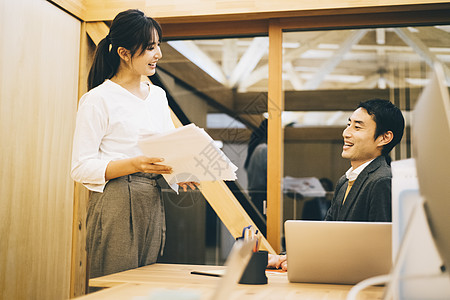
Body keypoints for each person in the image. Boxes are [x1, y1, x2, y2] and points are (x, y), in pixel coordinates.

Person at [71, 9, 197, 278]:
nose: (158, 54)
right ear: (124, 53)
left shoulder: (158, 96)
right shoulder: (98, 99)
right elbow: (80, 167)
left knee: (144, 285)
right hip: (115, 200)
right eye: (150, 47)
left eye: (158, 46)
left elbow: (166, 148)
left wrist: (179, 171)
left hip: (151, 198)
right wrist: (134, 164)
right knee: (114, 287)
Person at [267, 98, 405, 270]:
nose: (346, 133)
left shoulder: (382, 181)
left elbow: (380, 254)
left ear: (384, 138)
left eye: (357, 127)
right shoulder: (345, 181)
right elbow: (328, 236)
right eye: (348, 124)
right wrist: (287, 258)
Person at [244, 119, 268, 218]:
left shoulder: (257, 148)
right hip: (263, 196)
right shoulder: (264, 149)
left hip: (255, 195)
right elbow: (270, 176)